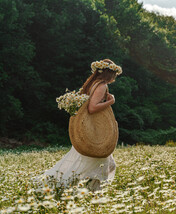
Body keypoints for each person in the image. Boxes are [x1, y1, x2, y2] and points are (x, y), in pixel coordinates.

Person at [33, 59, 122, 192]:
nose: (114, 77)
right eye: (114, 74)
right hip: (94, 133)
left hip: (89, 131)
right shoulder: (101, 85)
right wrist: (111, 101)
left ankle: (84, 191)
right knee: (101, 165)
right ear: (109, 73)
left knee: (85, 163)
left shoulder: (92, 83)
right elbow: (92, 108)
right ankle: (88, 193)